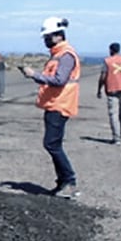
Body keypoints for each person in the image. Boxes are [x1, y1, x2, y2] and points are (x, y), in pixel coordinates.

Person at [21, 16, 81, 199]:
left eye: (48, 37)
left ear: (58, 36)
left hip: (60, 104)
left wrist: (34, 75)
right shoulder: (58, 54)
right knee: (52, 144)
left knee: (52, 144)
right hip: (54, 104)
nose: (46, 41)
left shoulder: (66, 55)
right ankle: (63, 182)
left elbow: (59, 80)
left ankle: (69, 180)